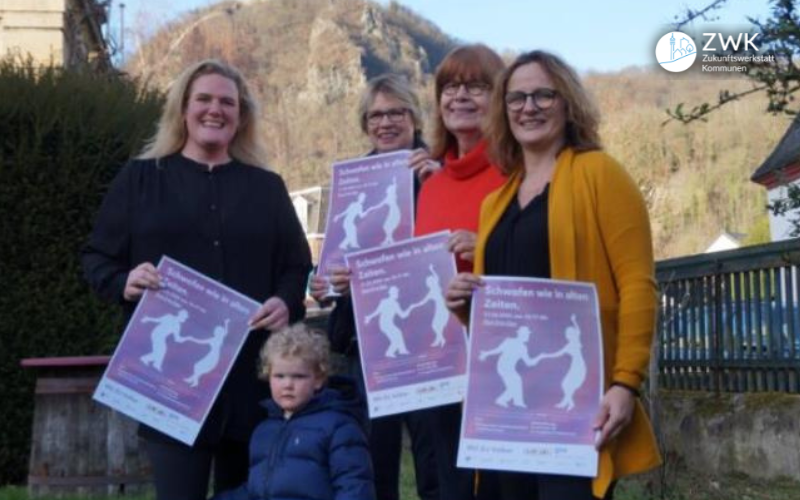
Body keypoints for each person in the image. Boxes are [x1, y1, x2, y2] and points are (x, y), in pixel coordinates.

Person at [82, 59, 312, 500]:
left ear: (241, 116)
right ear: (183, 109)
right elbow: (97, 258)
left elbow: (296, 266)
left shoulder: (267, 187)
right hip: (169, 384)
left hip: (254, 380)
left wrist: (286, 301)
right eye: (203, 99)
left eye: (227, 102)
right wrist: (123, 281)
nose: (215, 110)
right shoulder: (140, 180)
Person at [445, 50, 662, 500]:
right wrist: (467, 308)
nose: (529, 107)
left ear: (567, 103)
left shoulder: (600, 173)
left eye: (544, 94)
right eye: (517, 98)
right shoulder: (496, 202)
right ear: (503, 112)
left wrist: (626, 384)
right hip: (508, 416)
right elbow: (503, 309)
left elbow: (638, 285)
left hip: (577, 409)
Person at [308, 74, 440, 500]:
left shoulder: (440, 172)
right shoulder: (355, 185)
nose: (385, 123)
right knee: (373, 453)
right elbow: (333, 273)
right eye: (375, 115)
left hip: (433, 337)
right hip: (368, 339)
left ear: (414, 118)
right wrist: (326, 283)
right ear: (365, 123)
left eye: (396, 112)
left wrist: (437, 181)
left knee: (434, 452)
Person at [414, 43, 507, 500]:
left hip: (500, 360)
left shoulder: (519, 170)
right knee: (450, 486)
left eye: (476, 85)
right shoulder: (432, 185)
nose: (460, 96)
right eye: (450, 86)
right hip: (439, 360)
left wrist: (487, 247)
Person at [212, 325, 375, 500]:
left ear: (319, 379)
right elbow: (255, 489)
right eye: (279, 376)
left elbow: (355, 488)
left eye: (298, 376)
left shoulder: (339, 427)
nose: (288, 384)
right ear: (268, 377)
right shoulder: (264, 430)